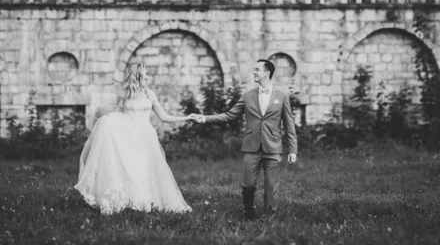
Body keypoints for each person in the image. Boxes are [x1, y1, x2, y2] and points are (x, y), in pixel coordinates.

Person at [74, 62, 198, 215]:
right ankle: (124, 200)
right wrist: (107, 121)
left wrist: (186, 118)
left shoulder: (150, 94)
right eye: (145, 71)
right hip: (127, 136)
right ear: (138, 73)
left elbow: (164, 117)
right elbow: (119, 116)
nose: (148, 74)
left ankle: (142, 200)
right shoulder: (125, 94)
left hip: (144, 137)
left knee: (143, 169)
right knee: (128, 168)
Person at [193, 59, 298, 220]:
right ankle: (249, 211)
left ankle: (267, 219)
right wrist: (205, 118)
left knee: (271, 187)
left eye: (257, 69)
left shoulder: (282, 96)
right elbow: (229, 115)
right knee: (248, 185)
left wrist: (292, 150)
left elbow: (289, 124)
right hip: (251, 147)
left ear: (267, 73)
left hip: (273, 148)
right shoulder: (248, 96)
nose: (254, 72)